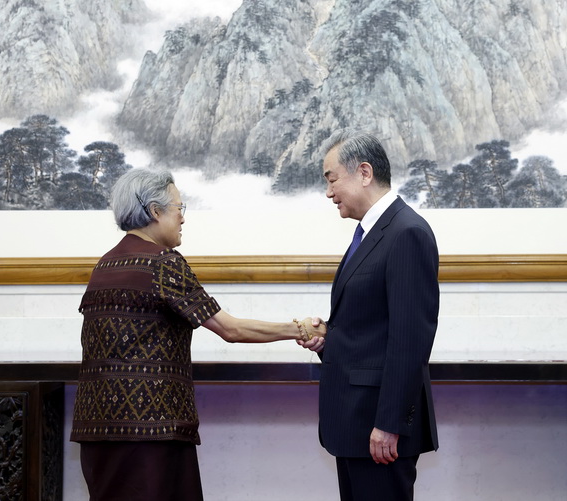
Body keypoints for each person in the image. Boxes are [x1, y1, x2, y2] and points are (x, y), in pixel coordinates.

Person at [70, 167, 325, 501]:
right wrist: (299, 329)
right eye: (179, 208)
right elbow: (230, 329)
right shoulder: (163, 263)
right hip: (151, 432)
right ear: (155, 211)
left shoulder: (104, 265)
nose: (183, 218)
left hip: (96, 431)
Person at [300, 128, 439, 500]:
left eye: (332, 180)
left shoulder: (406, 232)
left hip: (379, 427)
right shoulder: (369, 233)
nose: (328, 192)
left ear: (364, 172)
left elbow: (410, 339)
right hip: (356, 422)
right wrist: (329, 339)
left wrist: (389, 424)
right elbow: (370, 326)